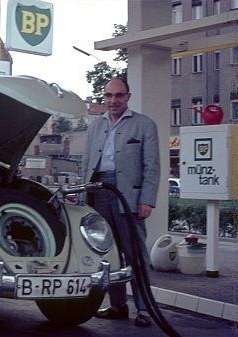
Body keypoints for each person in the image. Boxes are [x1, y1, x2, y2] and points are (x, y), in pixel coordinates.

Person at [81, 78, 160, 328]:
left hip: (129, 197)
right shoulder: (95, 127)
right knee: (109, 256)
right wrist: (84, 197)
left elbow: (152, 167)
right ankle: (117, 305)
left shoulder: (144, 125)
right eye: (108, 96)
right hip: (99, 193)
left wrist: (146, 200)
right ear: (103, 98)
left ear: (128, 97)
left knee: (135, 254)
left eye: (118, 96)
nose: (113, 101)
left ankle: (144, 309)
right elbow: (85, 164)